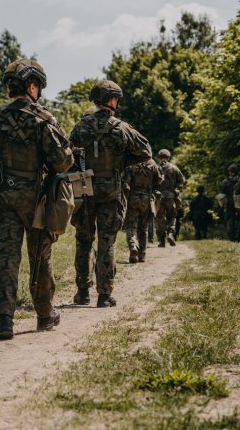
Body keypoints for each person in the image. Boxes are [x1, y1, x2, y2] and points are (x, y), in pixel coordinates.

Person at [0, 59, 74, 340]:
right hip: (38, 198)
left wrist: (0, 172)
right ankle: (45, 315)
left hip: (4, 198)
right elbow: (62, 163)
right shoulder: (44, 119)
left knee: (7, 257)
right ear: (32, 85)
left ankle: (4, 320)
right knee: (40, 257)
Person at [69, 79, 152, 308]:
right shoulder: (121, 127)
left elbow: (67, 155)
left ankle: (82, 292)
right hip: (112, 190)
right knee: (107, 241)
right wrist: (123, 161)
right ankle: (104, 295)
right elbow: (146, 152)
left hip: (85, 189)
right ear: (112, 100)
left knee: (83, 240)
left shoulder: (80, 126)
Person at [124, 159, 163, 263]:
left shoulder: (131, 162)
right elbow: (159, 180)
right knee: (143, 227)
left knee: (131, 225)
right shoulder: (152, 164)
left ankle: (133, 246)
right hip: (147, 198)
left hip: (132, 197)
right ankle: (142, 255)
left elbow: (125, 181)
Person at [155, 148, 185, 247]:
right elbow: (182, 180)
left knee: (160, 218)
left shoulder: (155, 168)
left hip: (158, 197)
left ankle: (161, 241)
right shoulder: (174, 168)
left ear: (159, 157)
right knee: (172, 216)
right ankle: (171, 233)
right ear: (169, 157)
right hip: (171, 196)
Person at [220, 165, 240, 241]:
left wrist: (223, 205)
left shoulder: (225, 182)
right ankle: (238, 237)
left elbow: (222, 195)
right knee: (239, 219)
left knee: (230, 220)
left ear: (229, 172)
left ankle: (232, 237)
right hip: (239, 201)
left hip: (229, 202)